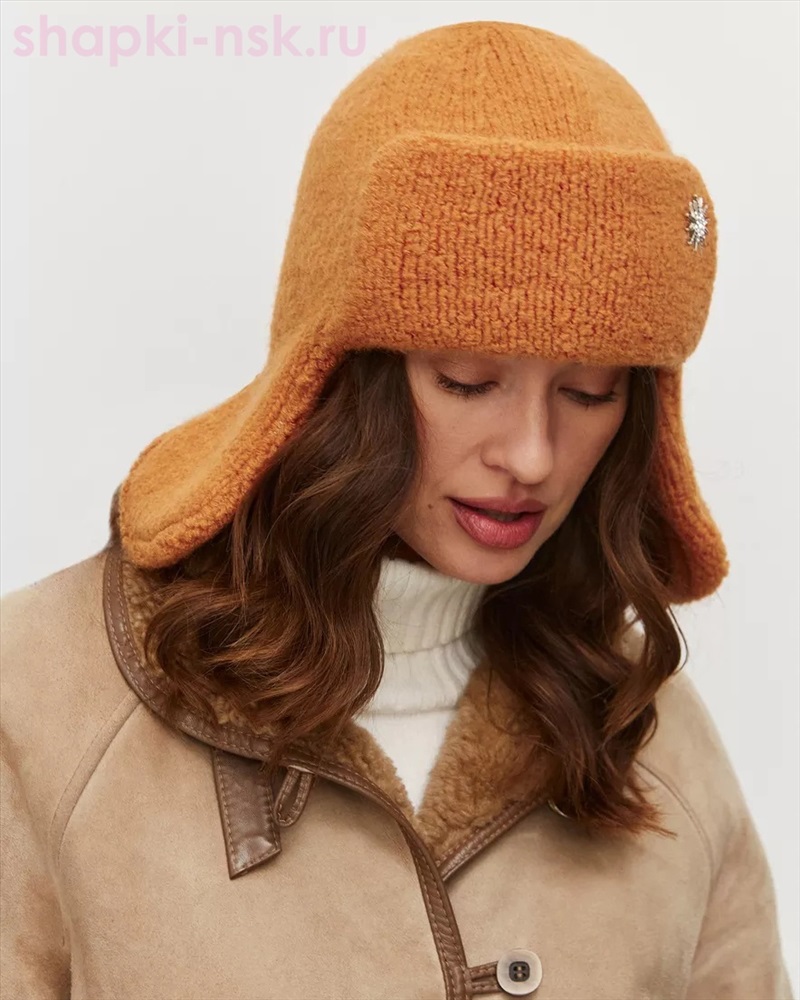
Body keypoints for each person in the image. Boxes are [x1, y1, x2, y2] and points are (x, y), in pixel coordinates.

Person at [0, 19, 793, 1000]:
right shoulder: (43, 700)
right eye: (467, 381)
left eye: (589, 392)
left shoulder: (651, 738)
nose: (531, 455)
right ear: (338, 372)